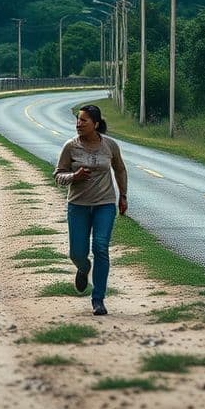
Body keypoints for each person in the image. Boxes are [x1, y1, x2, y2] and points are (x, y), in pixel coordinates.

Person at [53, 104, 128, 316]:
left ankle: (98, 299)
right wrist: (73, 177)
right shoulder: (70, 147)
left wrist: (123, 195)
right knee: (77, 253)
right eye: (78, 120)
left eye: (83, 120)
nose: (78, 124)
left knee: (101, 247)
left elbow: (120, 169)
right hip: (78, 205)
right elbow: (58, 175)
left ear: (95, 124)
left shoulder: (110, 146)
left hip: (105, 204)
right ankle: (83, 268)